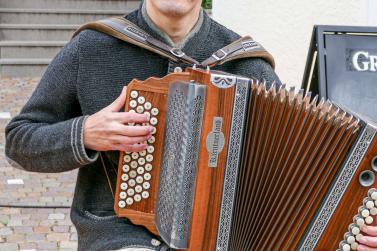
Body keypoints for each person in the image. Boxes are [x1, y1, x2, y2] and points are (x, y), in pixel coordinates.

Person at [14, 0, 377, 250]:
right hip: (117, 235)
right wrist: (85, 133)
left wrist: (355, 223)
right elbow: (20, 141)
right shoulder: (93, 48)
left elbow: (307, 176)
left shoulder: (245, 62)